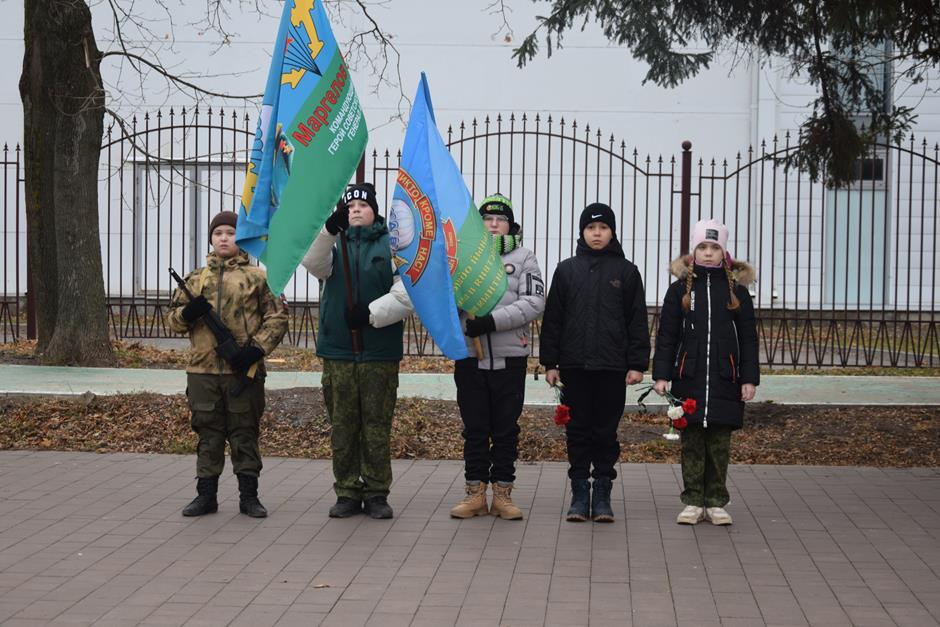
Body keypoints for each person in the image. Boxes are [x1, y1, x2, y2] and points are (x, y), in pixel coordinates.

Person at [301, 183, 412, 520]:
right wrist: (327, 231)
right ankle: (347, 491)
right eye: (350, 207)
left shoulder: (393, 245)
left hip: (379, 352)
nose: (356, 210)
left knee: (376, 426)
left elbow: (407, 293)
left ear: (374, 210)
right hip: (339, 351)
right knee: (343, 426)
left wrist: (370, 315)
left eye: (363, 205)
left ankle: (376, 492)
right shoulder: (334, 243)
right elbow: (313, 263)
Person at [168, 210, 289, 518]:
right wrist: (187, 314)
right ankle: (205, 496)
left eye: (231, 233)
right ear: (211, 238)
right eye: (218, 233)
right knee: (208, 435)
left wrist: (255, 350)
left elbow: (277, 318)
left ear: (241, 238)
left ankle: (249, 497)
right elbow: (173, 320)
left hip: (243, 371)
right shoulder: (196, 279)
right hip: (202, 370)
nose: (224, 238)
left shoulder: (258, 278)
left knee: (244, 433)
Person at [539, 203, 650, 523]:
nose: (597, 234)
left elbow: (637, 321)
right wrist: (550, 363)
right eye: (591, 228)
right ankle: (579, 493)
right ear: (582, 232)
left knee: (605, 432)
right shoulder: (566, 270)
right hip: (574, 367)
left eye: (603, 228)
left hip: (612, 368)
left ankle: (602, 492)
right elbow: (553, 320)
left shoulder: (627, 272)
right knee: (577, 431)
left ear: (612, 232)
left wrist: (637, 363)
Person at [651, 218, 759, 526]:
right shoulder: (678, 291)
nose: (708, 253)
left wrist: (748, 378)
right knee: (692, 443)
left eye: (714, 247)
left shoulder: (737, 293)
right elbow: (667, 336)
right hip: (690, 379)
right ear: (694, 252)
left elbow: (748, 339)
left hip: (726, 380)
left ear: (724, 252)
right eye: (702, 247)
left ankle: (716, 502)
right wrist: (662, 375)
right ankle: (693, 501)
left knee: (719, 444)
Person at [449, 193, 545, 521]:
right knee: (475, 428)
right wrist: (459, 306)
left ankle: (503, 494)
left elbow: (533, 302)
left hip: (510, 358)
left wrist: (491, 322)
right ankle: (474, 494)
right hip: (469, 357)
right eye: (487, 219)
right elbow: (444, 297)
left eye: (500, 219)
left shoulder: (524, 257)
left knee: (505, 429)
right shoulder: (463, 255)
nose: (493, 224)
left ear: (510, 225)